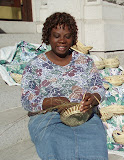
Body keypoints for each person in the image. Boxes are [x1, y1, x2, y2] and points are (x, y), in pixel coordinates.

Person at [21, 12, 108, 160]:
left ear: (73, 38)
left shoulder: (85, 62)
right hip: (48, 117)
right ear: (48, 36)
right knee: (53, 139)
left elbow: (98, 87)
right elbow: (26, 100)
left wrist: (93, 98)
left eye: (67, 36)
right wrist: (50, 102)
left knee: (95, 138)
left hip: (82, 115)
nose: (62, 41)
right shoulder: (35, 65)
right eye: (56, 36)